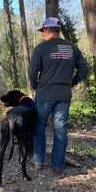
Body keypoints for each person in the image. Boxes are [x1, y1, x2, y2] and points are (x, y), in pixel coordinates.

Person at [28, 17, 89, 172]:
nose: (43, 34)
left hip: (44, 94)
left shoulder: (41, 48)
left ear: (49, 29)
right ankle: (57, 165)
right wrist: (72, 82)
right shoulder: (72, 48)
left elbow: (32, 71)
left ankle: (38, 162)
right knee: (60, 128)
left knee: (39, 126)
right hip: (63, 94)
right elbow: (84, 68)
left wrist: (35, 85)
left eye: (43, 31)